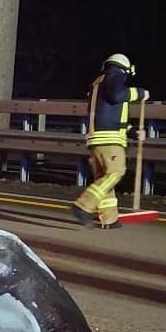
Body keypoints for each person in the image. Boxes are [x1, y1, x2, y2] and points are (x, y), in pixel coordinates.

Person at [70, 53, 150, 229]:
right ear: (125, 68)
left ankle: (109, 218)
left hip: (97, 137)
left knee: (103, 177)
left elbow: (111, 114)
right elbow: (117, 96)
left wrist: (133, 132)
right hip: (109, 139)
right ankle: (83, 206)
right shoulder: (115, 76)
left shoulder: (99, 83)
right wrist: (139, 93)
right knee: (115, 172)